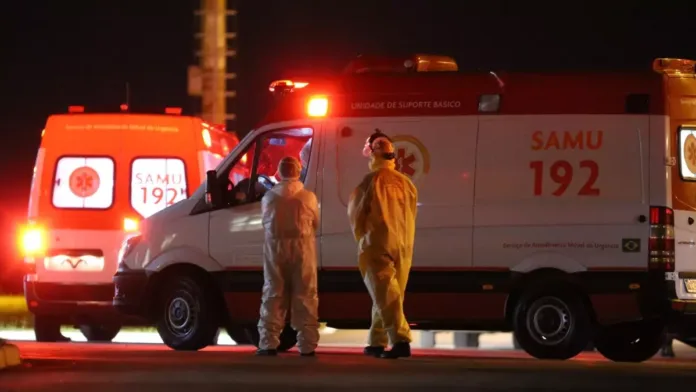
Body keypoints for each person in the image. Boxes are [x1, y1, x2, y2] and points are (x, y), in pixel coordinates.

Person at [347, 129, 418, 359]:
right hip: (404, 245)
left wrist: (362, 239)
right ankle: (376, 342)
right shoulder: (407, 183)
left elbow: (356, 215)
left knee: (385, 294)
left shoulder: (370, 182)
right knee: (389, 294)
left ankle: (400, 341)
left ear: (374, 155)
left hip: (377, 243)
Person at [256, 156, 320, 357]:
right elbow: (315, 223)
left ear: (280, 172)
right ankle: (307, 345)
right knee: (305, 294)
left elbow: (264, 223)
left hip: (275, 249)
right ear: (298, 171)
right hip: (303, 248)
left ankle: (268, 344)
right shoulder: (308, 197)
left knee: (273, 294)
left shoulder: (269, 198)